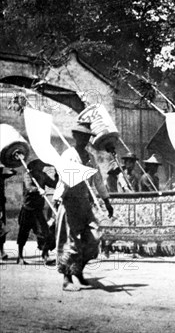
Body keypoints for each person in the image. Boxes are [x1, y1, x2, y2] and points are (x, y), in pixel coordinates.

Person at [56, 122, 114, 292]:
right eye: (81, 136)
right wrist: (59, 197)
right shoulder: (68, 155)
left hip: (84, 203)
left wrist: (106, 200)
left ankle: (78, 271)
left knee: (94, 238)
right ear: (75, 136)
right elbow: (63, 179)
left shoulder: (90, 158)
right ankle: (67, 278)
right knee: (70, 242)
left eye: (87, 136)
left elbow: (97, 181)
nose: (84, 139)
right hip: (70, 201)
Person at [16, 160, 58, 265]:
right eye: (40, 166)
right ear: (34, 166)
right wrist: (38, 189)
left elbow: (53, 184)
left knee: (45, 232)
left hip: (38, 209)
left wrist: (57, 175)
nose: (42, 168)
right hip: (28, 209)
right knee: (23, 233)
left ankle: (45, 256)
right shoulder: (28, 175)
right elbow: (29, 187)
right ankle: (20, 257)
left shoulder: (42, 175)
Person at [0, 164, 17, 262]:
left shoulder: (2, 176)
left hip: (1, 205)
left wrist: (12, 166)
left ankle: (2, 251)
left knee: (1, 229)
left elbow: (13, 173)